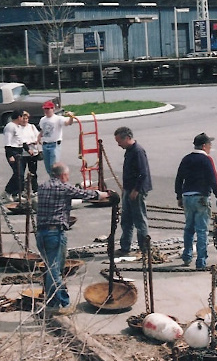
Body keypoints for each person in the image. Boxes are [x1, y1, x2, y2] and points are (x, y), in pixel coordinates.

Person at [36, 161, 112, 315]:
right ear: (63, 175)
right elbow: (85, 194)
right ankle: (61, 304)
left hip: (41, 234)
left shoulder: (42, 187)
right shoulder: (62, 187)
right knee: (55, 270)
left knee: (51, 268)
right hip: (55, 234)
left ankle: (53, 301)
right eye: (67, 175)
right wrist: (105, 194)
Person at [174, 132, 217, 269]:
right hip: (201, 196)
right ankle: (201, 261)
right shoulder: (207, 160)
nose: (210, 147)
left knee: (189, 228)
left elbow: (179, 178)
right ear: (204, 146)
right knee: (202, 230)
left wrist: (179, 196)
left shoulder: (186, 159)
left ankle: (187, 256)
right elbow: (213, 180)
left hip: (187, 196)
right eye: (209, 145)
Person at [113, 126, 152, 256]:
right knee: (126, 219)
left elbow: (143, 173)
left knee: (140, 219)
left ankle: (144, 248)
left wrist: (136, 190)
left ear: (128, 138)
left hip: (137, 191)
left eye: (119, 141)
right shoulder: (129, 151)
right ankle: (125, 246)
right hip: (128, 189)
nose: (118, 145)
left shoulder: (138, 151)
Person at [38, 102, 75, 175]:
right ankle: (52, 182)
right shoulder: (43, 119)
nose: (47, 111)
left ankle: (57, 183)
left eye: (48, 109)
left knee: (54, 167)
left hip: (54, 145)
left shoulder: (58, 118)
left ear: (53, 109)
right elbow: (43, 130)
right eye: (45, 109)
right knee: (48, 168)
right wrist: (39, 137)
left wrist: (71, 117)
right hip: (45, 145)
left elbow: (68, 123)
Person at [3, 109, 24, 199]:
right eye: (22, 117)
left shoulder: (18, 127)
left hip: (19, 150)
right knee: (18, 173)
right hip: (13, 151)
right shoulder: (10, 126)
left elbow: (21, 140)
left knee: (20, 174)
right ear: (19, 117)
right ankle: (8, 191)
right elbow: (7, 142)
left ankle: (16, 193)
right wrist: (10, 155)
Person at [20, 110, 40, 193]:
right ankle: (21, 190)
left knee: (33, 172)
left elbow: (37, 136)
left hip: (33, 152)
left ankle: (35, 189)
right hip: (23, 153)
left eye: (26, 118)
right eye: (23, 118)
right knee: (21, 173)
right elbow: (20, 140)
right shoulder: (18, 128)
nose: (25, 120)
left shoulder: (31, 126)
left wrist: (36, 141)